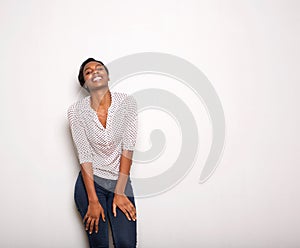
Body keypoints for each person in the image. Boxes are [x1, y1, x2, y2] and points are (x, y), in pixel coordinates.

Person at [67, 58, 138, 248]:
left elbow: (128, 148)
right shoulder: (76, 111)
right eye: (88, 71)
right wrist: (93, 200)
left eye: (99, 68)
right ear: (84, 83)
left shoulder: (127, 103)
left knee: (126, 244)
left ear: (107, 75)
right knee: (99, 245)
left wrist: (120, 191)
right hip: (90, 185)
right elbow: (85, 156)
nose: (95, 72)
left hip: (119, 181)